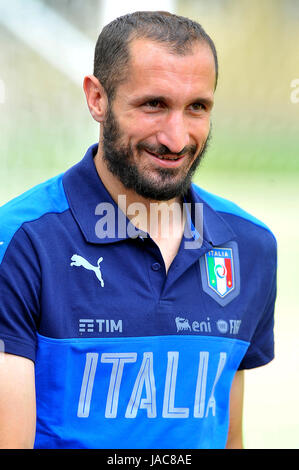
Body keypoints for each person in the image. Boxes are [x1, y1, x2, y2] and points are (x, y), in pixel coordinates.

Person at [0, 11, 277, 449]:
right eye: (154, 105)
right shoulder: (20, 242)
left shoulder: (249, 246)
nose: (176, 137)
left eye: (197, 108)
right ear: (97, 99)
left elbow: (226, 435)